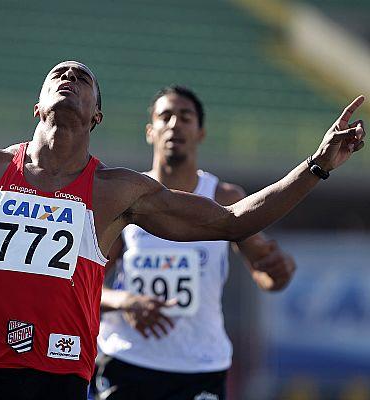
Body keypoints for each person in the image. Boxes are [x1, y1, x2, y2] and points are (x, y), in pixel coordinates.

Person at [0, 35, 365, 400]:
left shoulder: (117, 193)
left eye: (82, 80)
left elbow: (231, 222)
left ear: (97, 114)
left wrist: (318, 165)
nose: (69, 77)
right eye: (58, 75)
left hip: (63, 381)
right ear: (38, 104)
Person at [96, 86, 297, 400]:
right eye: (165, 116)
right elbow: (86, 285)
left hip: (200, 365)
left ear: (201, 132)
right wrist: (126, 302)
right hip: (129, 358)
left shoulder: (224, 198)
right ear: (150, 131)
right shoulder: (128, 196)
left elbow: (265, 271)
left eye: (185, 116)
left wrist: (279, 270)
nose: (175, 123)